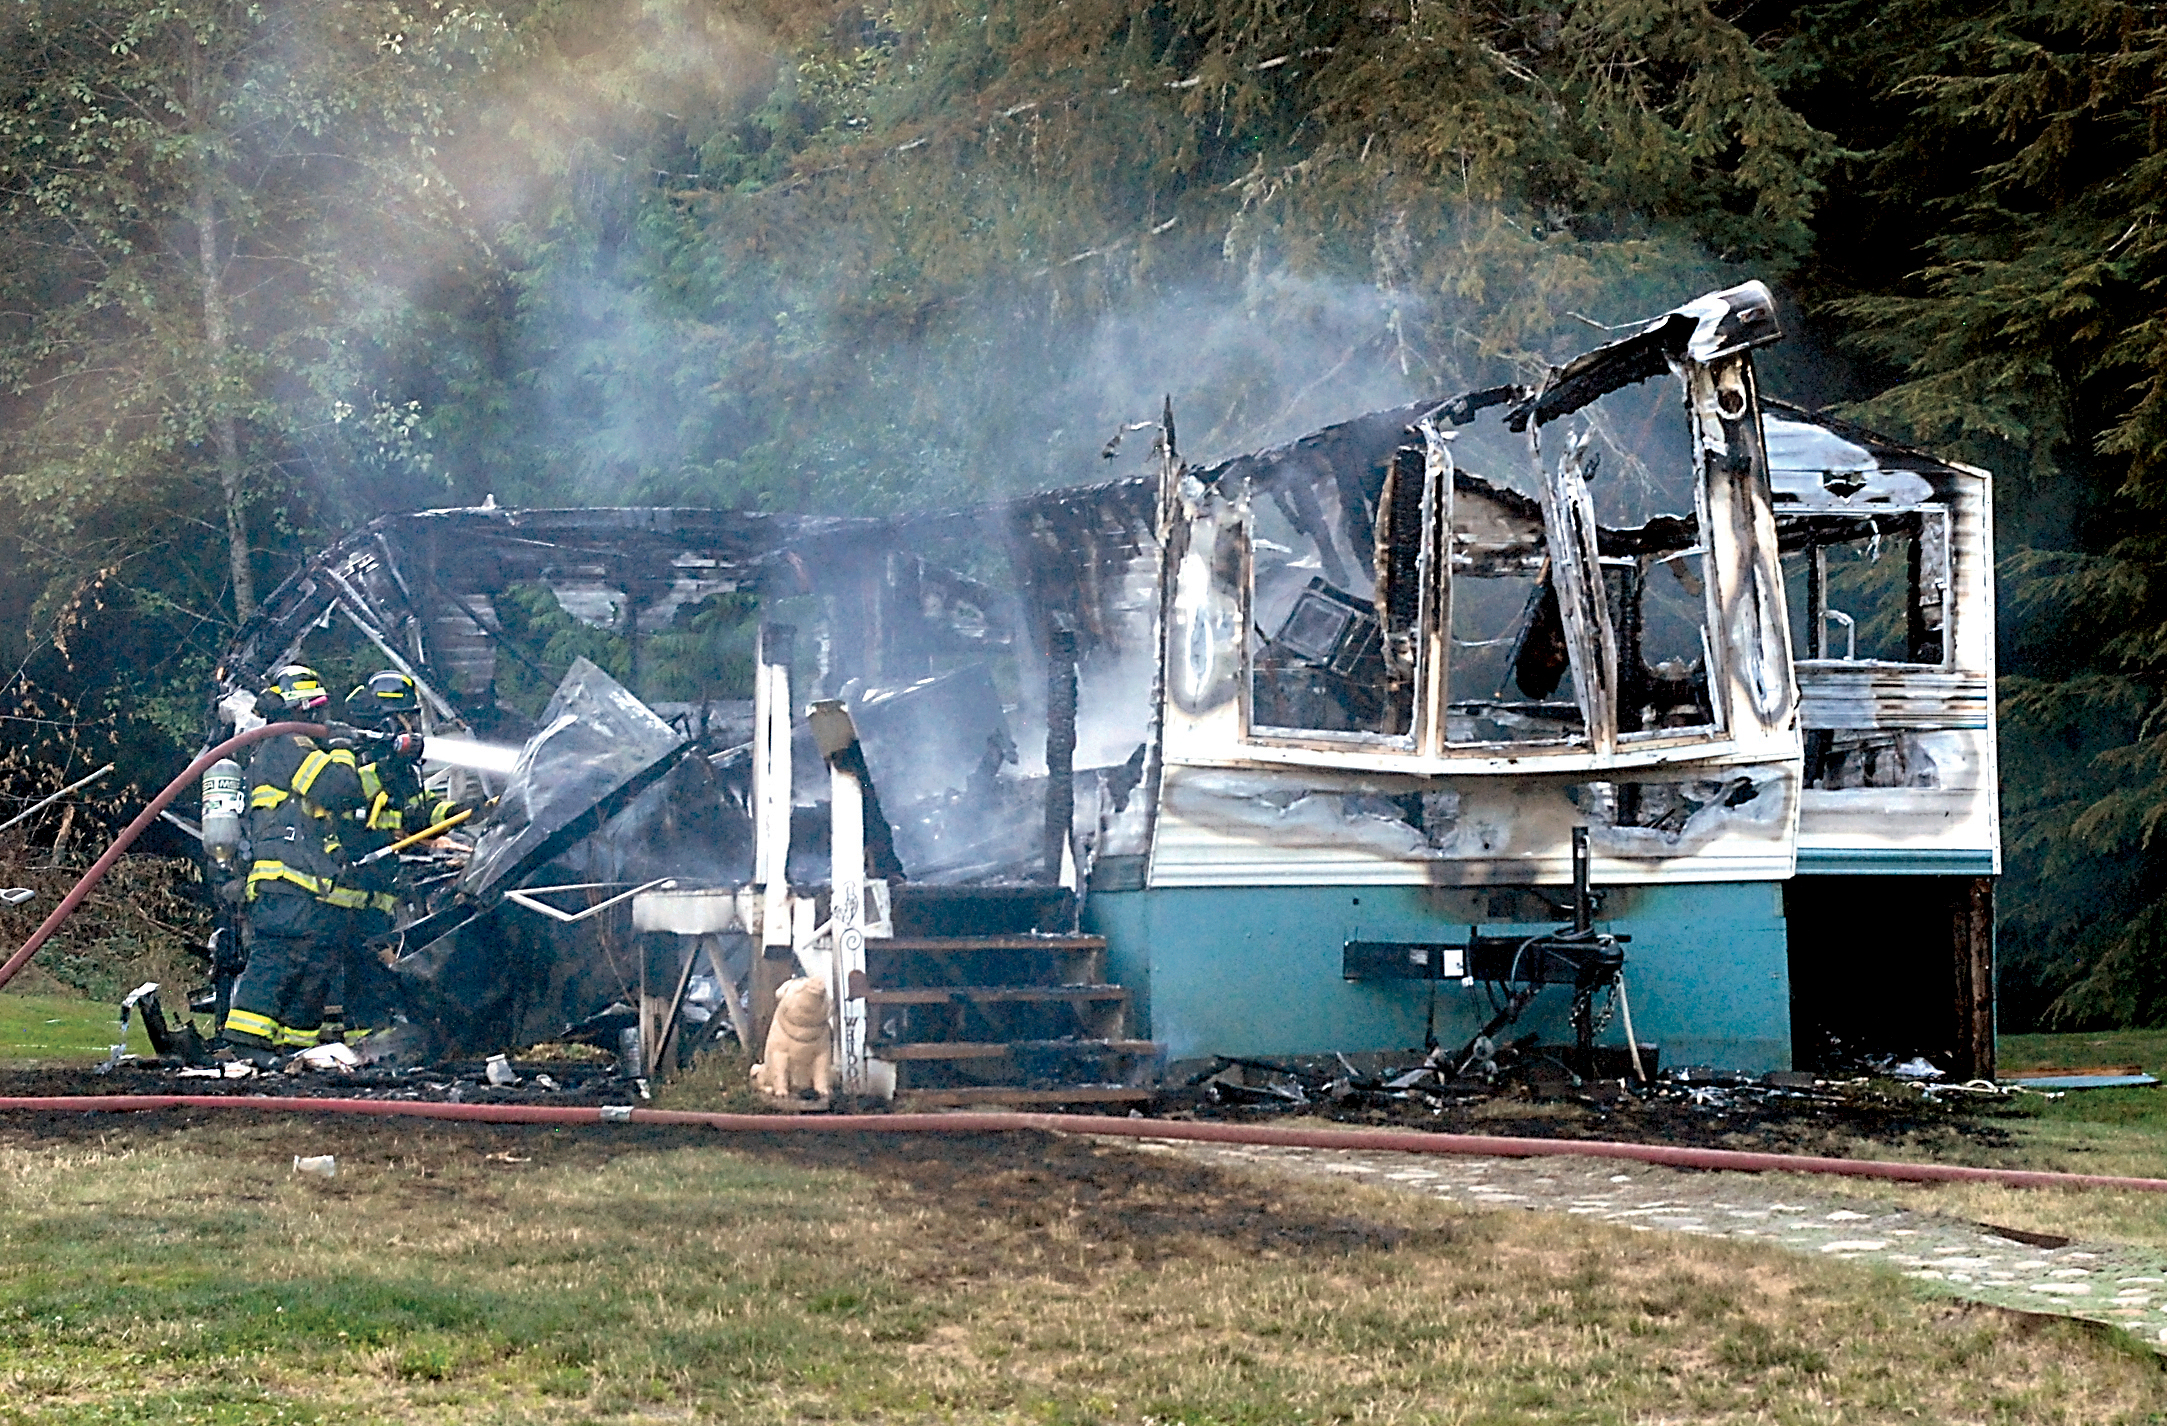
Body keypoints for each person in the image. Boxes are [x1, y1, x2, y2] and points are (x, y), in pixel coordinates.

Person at [222, 665, 373, 1061]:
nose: (322, 718)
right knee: (276, 961)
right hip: (285, 883)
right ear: (303, 709)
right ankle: (244, 1047)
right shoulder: (287, 745)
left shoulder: (292, 746)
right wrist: (342, 746)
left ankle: (293, 1053)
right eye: (317, 710)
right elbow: (339, 789)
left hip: (307, 886)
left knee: (312, 969)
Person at [337, 671, 446, 1032]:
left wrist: (452, 815)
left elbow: (414, 815)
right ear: (389, 718)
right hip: (351, 877)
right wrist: (387, 762)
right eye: (409, 717)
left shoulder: (403, 767)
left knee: (375, 956)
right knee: (365, 956)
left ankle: (376, 1030)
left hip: (379, 881)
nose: (415, 725)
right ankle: (371, 1030)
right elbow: (353, 794)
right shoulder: (355, 753)